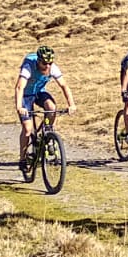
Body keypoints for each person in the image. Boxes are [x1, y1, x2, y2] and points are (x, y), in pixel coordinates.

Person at [14, 44, 75, 172]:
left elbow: (64, 86)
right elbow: (19, 87)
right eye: (44, 63)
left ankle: (47, 133)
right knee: (27, 129)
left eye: (50, 63)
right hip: (25, 95)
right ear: (38, 61)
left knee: (52, 107)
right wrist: (19, 106)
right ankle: (22, 159)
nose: (47, 66)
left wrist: (71, 104)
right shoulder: (28, 67)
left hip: (39, 92)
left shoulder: (52, 68)